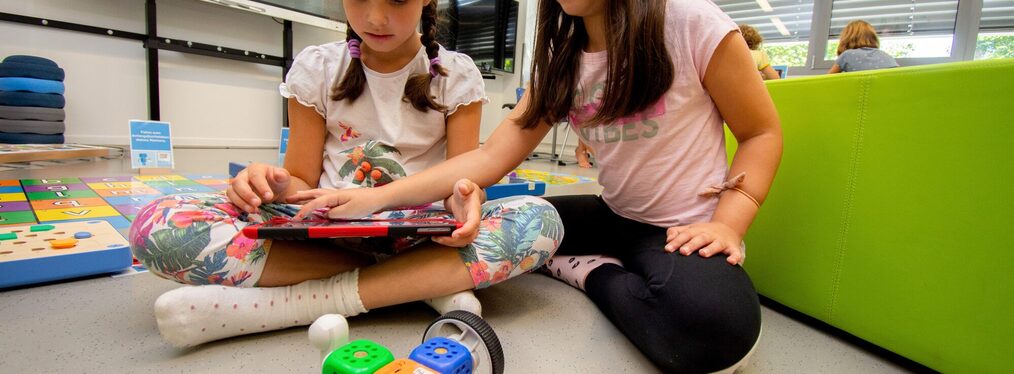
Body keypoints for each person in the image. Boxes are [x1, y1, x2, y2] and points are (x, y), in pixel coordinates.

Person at [291, 0, 782, 371]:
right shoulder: (563, 57)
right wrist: (373, 199)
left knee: (719, 331)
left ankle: (588, 272)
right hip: (610, 214)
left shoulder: (692, 22)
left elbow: (761, 132)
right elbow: (488, 158)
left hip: (680, 229)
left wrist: (728, 223)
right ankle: (582, 260)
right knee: (519, 220)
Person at [129, 0, 562, 348]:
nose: (375, 17)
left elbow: (462, 179)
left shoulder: (456, 74)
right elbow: (299, 181)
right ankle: (419, 282)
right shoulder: (316, 68)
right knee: (157, 225)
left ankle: (295, 304)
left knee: (540, 219)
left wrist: (466, 198)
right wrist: (273, 183)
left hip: (422, 234)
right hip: (328, 232)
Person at [828, 20, 899, 73]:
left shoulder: (847, 55)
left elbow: (827, 81)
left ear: (847, 38)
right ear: (873, 37)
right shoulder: (887, 56)